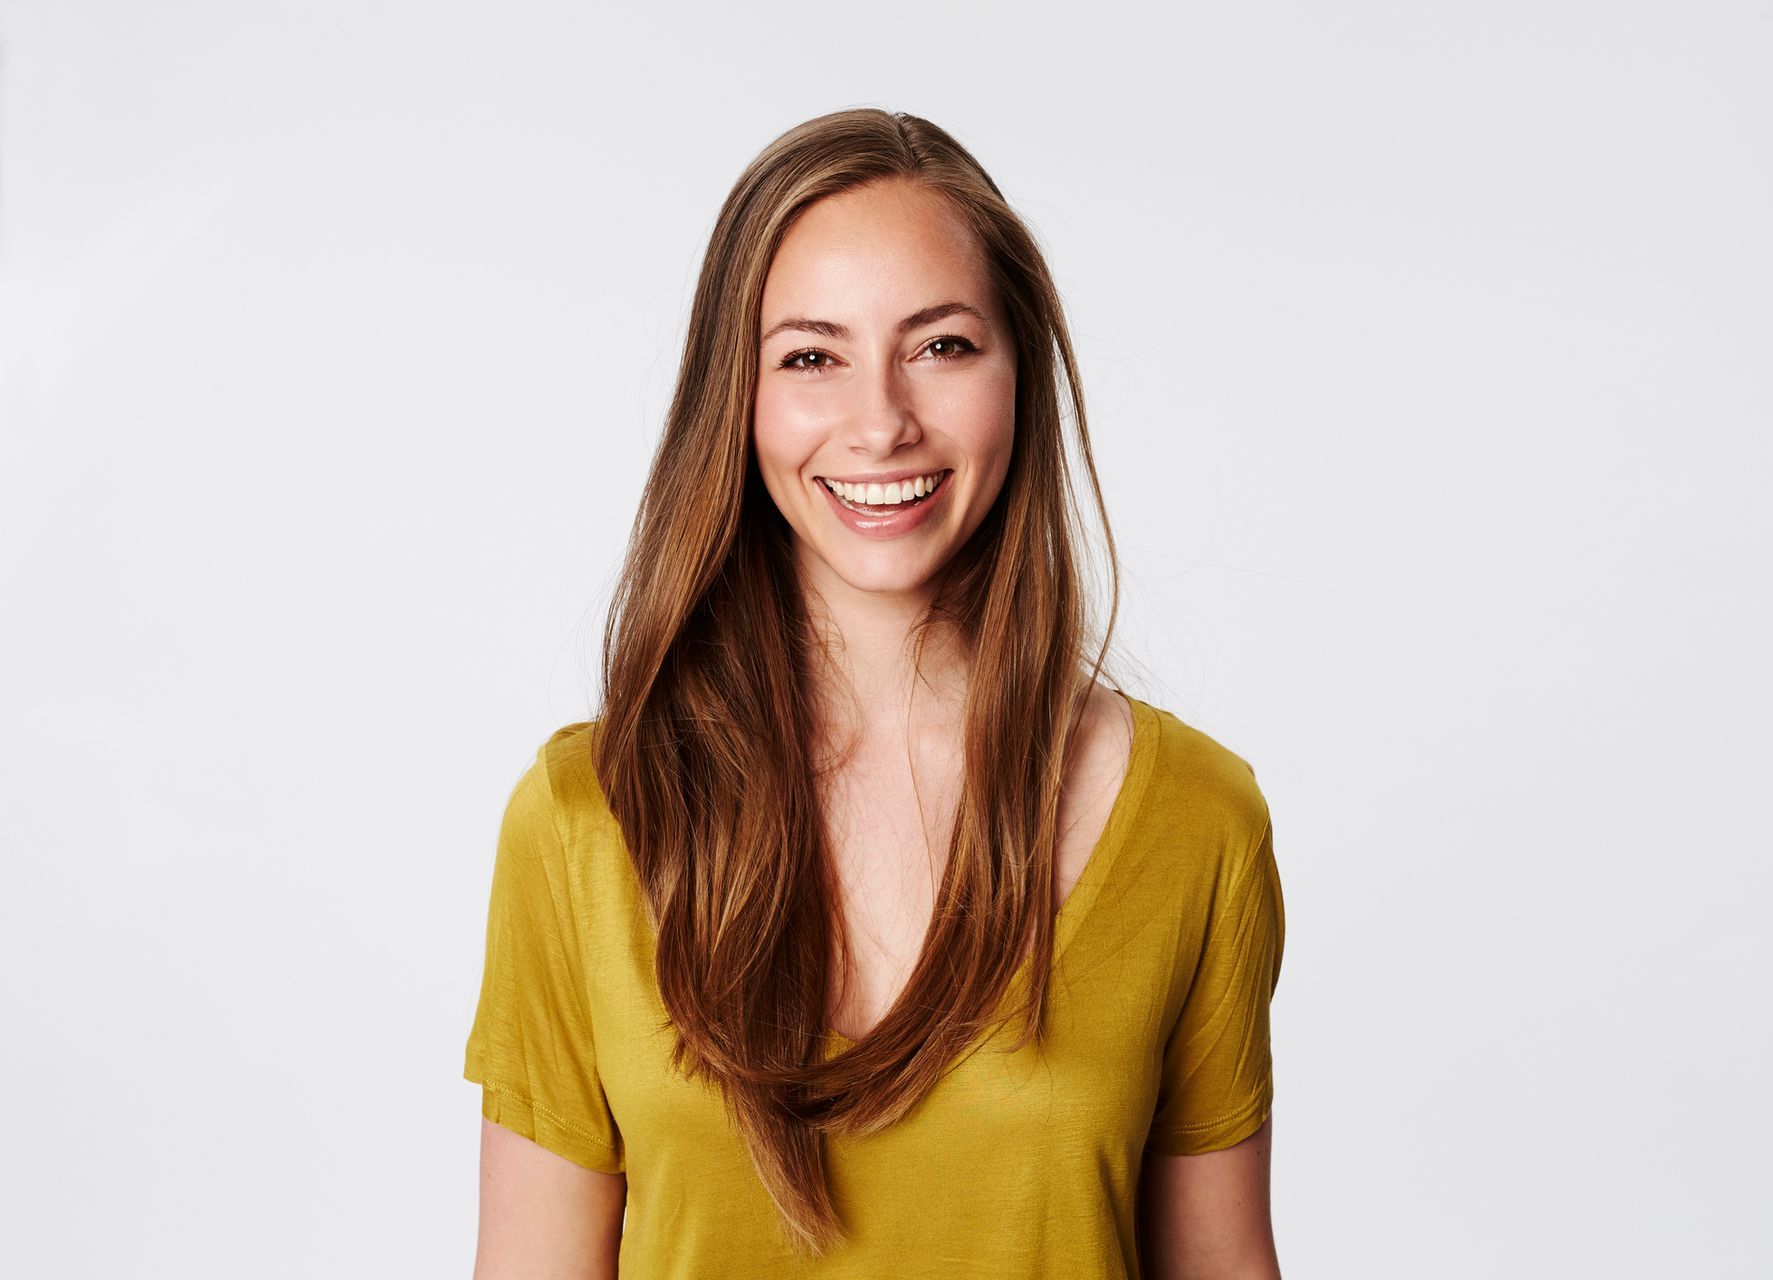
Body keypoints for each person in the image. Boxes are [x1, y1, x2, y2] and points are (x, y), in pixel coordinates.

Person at [463, 107, 1286, 1279]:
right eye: (812, 356)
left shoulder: (1197, 820)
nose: (882, 422)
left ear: (1021, 373)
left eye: (942, 345)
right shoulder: (583, 817)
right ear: (736, 397)